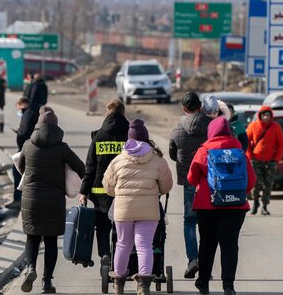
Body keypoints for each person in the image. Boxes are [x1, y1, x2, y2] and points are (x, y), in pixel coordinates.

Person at [18, 106, 85, 294]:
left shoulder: (27, 145)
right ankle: (47, 282)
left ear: (38, 125)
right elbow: (81, 168)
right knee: (50, 241)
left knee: (32, 237)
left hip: (31, 200)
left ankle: (31, 268)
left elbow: (22, 168)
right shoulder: (62, 148)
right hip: (54, 201)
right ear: (56, 127)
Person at [103, 119, 173, 295]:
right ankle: (143, 285)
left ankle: (118, 283)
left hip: (123, 210)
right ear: (146, 138)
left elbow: (108, 187)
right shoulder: (158, 160)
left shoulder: (118, 160)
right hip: (149, 210)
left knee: (123, 244)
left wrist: (118, 194)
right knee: (144, 246)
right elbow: (166, 186)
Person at [187, 116, 256, 295]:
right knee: (230, 244)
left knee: (207, 243)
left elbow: (191, 179)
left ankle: (203, 283)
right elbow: (251, 182)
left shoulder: (204, 151)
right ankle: (228, 286)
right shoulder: (240, 152)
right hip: (235, 206)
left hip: (207, 206)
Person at [78, 99, 129, 273]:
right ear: (123, 113)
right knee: (124, 226)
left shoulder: (99, 136)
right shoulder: (131, 135)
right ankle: (122, 259)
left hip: (101, 192)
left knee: (102, 226)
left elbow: (90, 167)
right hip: (125, 191)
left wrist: (84, 192)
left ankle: (105, 253)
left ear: (107, 113)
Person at [169, 91, 212, 279]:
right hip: (210, 182)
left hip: (189, 181)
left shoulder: (178, 127)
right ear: (200, 107)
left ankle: (192, 259)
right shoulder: (211, 125)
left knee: (190, 221)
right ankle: (205, 266)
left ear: (184, 109)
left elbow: (172, 152)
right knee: (208, 224)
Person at [246, 106, 283, 215]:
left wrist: (276, 159)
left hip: (270, 161)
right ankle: (255, 203)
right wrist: (250, 157)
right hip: (256, 160)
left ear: (270, 116)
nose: (266, 117)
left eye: (268, 115)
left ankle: (264, 206)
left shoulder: (275, 127)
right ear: (260, 115)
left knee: (268, 184)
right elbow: (246, 141)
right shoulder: (253, 126)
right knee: (255, 184)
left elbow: (281, 144)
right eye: (264, 115)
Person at [6, 97, 40, 210]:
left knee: (17, 171)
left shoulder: (28, 113)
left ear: (22, 104)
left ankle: (18, 200)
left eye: (18, 107)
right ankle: (22, 200)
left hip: (25, 149)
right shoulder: (31, 112)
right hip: (28, 148)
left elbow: (25, 132)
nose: (19, 111)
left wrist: (19, 133)